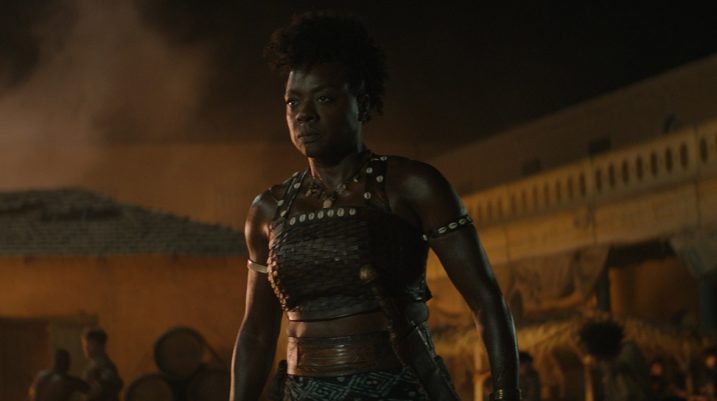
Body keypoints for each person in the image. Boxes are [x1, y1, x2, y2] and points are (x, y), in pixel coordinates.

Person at [230, 11, 520, 401]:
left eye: (325, 98)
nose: (304, 114)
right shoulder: (269, 210)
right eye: (293, 101)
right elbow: (257, 332)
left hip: (402, 390)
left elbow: (486, 300)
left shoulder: (411, 186)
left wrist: (505, 392)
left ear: (362, 104)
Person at [81, 327, 123, 401]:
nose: (86, 347)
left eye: (91, 344)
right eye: (85, 344)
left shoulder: (107, 368)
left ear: (101, 346)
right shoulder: (91, 367)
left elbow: (93, 393)